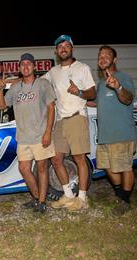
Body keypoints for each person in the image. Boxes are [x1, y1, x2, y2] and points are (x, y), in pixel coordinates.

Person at [0, 53, 56, 213]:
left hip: (40, 135)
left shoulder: (43, 84)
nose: (25, 66)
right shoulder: (16, 88)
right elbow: (2, 106)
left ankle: (42, 202)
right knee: (24, 168)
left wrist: (48, 132)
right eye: (22, 64)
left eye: (29, 63)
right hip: (23, 137)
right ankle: (38, 197)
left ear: (34, 66)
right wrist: (0, 89)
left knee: (42, 168)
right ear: (19, 68)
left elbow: (51, 108)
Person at [43, 35, 96, 211]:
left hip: (77, 117)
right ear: (56, 51)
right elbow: (34, 82)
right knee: (56, 159)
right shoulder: (53, 71)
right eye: (60, 47)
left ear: (72, 48)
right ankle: (68, 194)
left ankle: (82, 198)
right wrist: (13, 81)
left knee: (79, 158)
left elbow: (92, 93)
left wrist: (79, 92)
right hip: (60, 121)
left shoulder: (82, 68)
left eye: (67, 46)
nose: (63, 49)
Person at [96, 45, 137, 216]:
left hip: (122, 134)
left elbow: (128, 99)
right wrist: (78, 97)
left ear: (114, 60)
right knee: (107, 168)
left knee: (125, 167)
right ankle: (121, 195)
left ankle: (125, 200)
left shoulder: (122, 77)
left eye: (107, 55)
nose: (103, 58)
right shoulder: (100, 83)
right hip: (105, 135)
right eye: (100, 56)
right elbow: (98, 103)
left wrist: (118, 87)